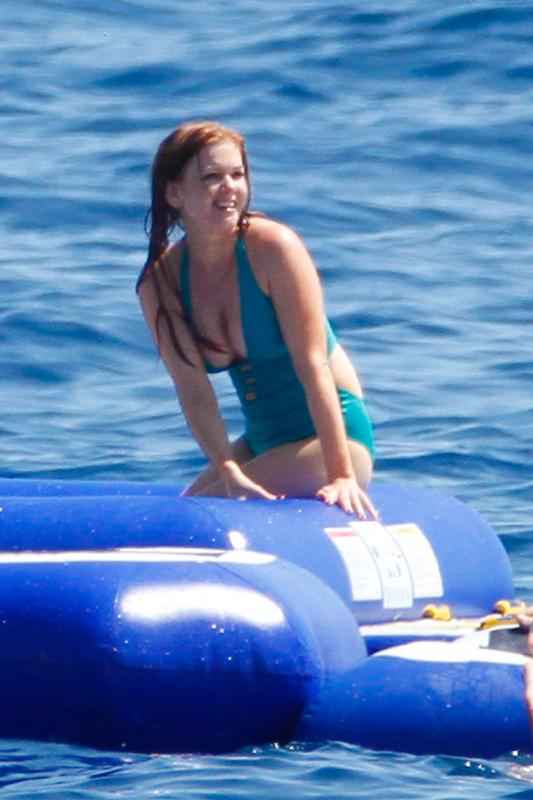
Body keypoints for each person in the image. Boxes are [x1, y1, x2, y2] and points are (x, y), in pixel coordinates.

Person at [136, 120, 377, 518]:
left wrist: (342, 475)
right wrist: (227, 468)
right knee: (186, 510)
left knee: (203, 512)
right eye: (212, 177)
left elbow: (313, 364)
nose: (230, 187)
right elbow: (193, 389)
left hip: (333, 441)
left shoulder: (273, 248)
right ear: (174, 193)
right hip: (261, 440)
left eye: (237, 174)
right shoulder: (161, 283)